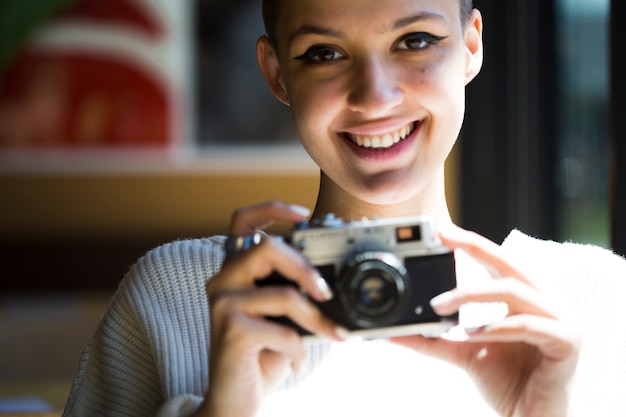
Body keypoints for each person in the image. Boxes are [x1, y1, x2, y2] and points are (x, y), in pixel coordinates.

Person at [63, 0, 626, 416]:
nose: (375, 96)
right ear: (277, 72)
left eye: (415, 41)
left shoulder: (596, 297)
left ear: (471, 46)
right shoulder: (174, 300)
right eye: (324, 53)